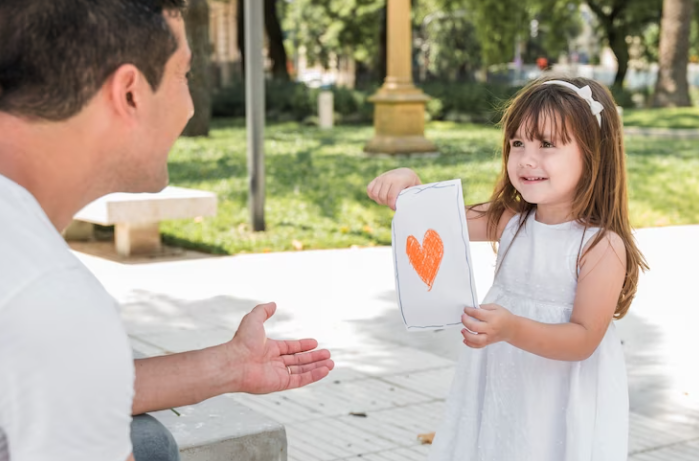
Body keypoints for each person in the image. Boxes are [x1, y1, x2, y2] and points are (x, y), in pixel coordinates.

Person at [0, 1, 334, 461]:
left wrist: (230, 365)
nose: (189, 104)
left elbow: (64, 377)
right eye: (184, 75)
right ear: (130, 93)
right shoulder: (49, 298)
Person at [367, 77, 648, 460]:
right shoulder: (510, 220)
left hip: (559, 391)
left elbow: (583, 339)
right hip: (504, 380)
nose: (527, 158)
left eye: (547, 144)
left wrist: (512, 328)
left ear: (593, 153)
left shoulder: (600, 246)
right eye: (518, 143)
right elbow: (436, 218)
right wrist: (409, 185)